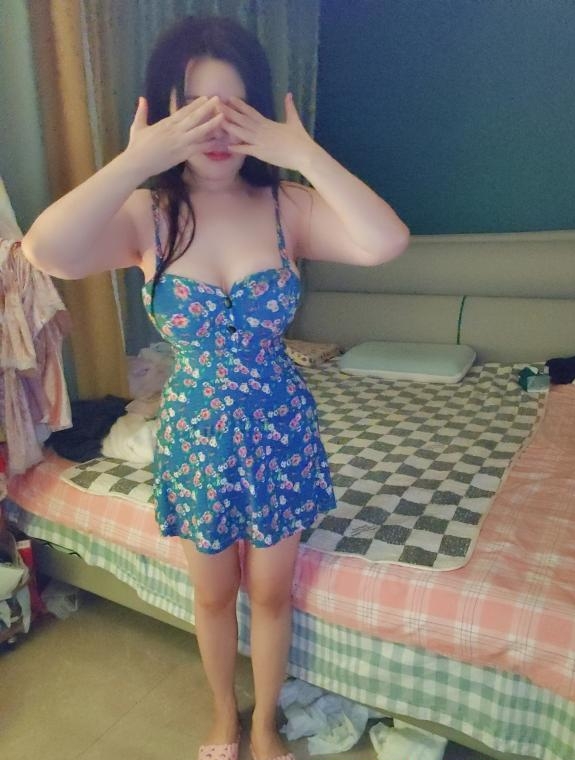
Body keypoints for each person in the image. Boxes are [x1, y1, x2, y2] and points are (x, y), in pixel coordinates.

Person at [22, 15, 409, 760]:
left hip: (280, 431)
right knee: (210, 594)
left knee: (270, 593)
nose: (218, 129)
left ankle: (263, 724)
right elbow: (47, 250)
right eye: (195, 110)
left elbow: (386, 240)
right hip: (197, 434)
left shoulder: (285, 204)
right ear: (165, 117)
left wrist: (303, 153)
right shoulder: (149, 215)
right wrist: (135, 162)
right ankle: (224, 717)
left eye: (235, 108)